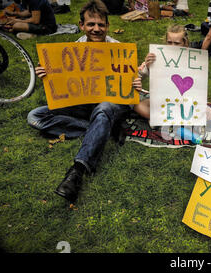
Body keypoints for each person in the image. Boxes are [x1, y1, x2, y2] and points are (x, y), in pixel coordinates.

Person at [27, 0, 141, 204]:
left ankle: (77, 171)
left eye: (101, 24)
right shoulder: (72, 51)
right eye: (91, 24)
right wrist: (48, 76)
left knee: (104, 108)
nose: (96, 29)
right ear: (81, 25)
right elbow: (62, 88)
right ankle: (101, 130)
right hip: (81, 106)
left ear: (107, 25)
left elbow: (127, 94)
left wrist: (134, 82)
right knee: (35, 116)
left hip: (108, 104)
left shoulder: (119, 50)